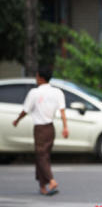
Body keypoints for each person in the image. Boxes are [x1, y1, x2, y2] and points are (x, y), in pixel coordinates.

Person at [12, 67, 69, 196]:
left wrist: (17, 120)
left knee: (41, 156)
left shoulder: (34, 93)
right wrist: (65, 127)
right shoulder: (57, 92)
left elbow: (25, 110)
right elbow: (62, 111)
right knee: (43, 156)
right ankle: (42, 186)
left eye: (37, 76)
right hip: (50, 128)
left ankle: (51, 180)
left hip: (40, 129)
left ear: (40, 78)